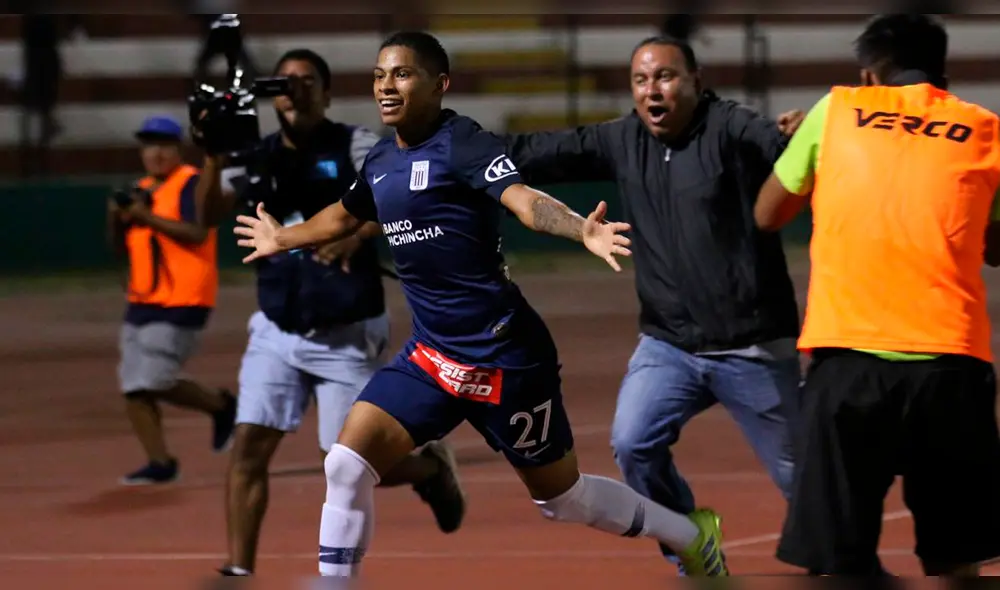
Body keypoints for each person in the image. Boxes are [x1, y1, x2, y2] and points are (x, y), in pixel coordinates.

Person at [234, 31, 730, 578]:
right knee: (346, 464)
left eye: (402, 74)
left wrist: (579, 231)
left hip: (505, 359)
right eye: (379, 75)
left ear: (439, 84)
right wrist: (283, 238)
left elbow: (526, 203)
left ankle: (690, 533)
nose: (386, 86)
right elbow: (344, 217)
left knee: (562, 499)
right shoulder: (380, 160)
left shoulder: (463, 144)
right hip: (432, 357)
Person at [503, 35, 803, 572]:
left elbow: (782, 149)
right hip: (669, 346)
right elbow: (537, 154)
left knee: (801, 479)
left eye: (665, 77)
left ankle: (845, 562)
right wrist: (459, 149)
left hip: (752, 346)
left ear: (695, 81)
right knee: (633, 442)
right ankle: (691, 540)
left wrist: (796, 139)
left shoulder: (731, 127)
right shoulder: (623, 139)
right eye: (641, 81)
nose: (651, 91)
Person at [195, 48, 466, 577]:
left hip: (345, 330)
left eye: (307, 81)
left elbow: (394, 195)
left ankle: (429, 467)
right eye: (285, 82)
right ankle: (238, 571)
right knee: (250, 442)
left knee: (349, 463)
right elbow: (206, 214)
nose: (294, 90)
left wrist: (356, 233)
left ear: (326, 92)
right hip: (276, 324)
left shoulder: (356, 143)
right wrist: (210, 153)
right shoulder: (253, 153)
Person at [754, 14, 1000, 577]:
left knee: (839, 562)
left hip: (848, 364)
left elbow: (767, 213)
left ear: (869, 73)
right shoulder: (986, 127)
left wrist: (809, 152)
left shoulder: (835, 111)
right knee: (961, 561)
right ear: (942, 71)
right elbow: (995, 247)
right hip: (952, 365)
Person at [106, 115, 236, 485]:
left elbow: (197, 232)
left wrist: (145, 216)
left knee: (157, 379)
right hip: (142, 300)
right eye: (149, 145)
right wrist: (116, 219)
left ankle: (221, 405)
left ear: (178, 149)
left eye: (164, 145)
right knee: (133, 387)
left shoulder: (192, 183)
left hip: (183, 299)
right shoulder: (140, 189)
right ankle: (160, 462)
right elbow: (117, 248)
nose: (156, 153)